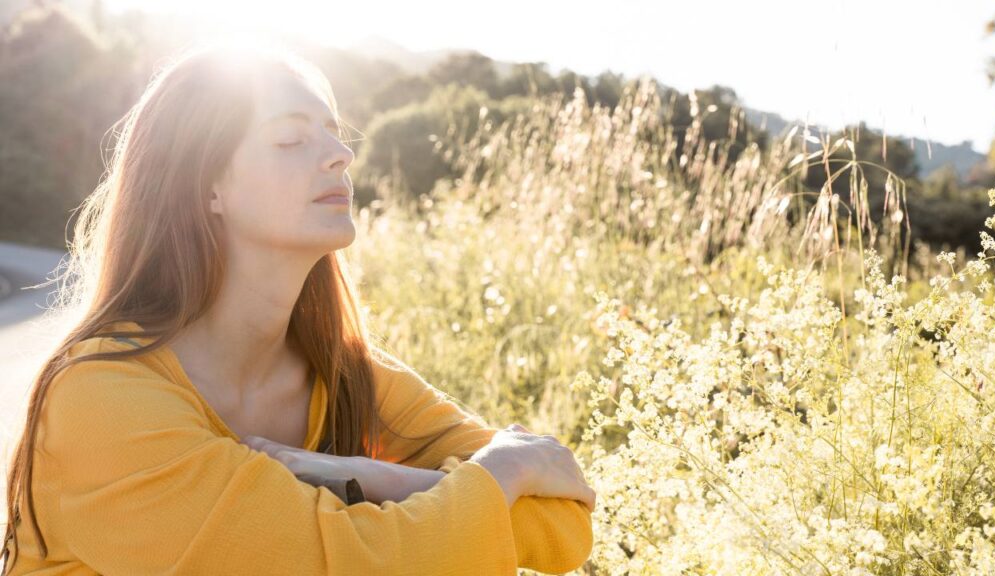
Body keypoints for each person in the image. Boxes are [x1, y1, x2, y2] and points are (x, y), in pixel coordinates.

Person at [1, 40, 595, 575]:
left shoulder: (346, 374)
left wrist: (371, 478)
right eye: (291, 139)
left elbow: (564, 525)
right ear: (205, 186)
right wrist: (500, 475)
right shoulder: (98, 397)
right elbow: (340, 564)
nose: (341, 155)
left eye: (336, 134)